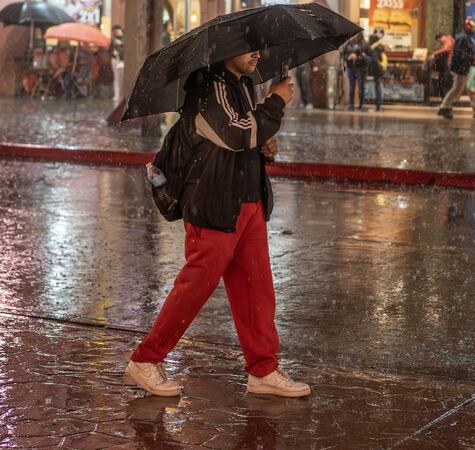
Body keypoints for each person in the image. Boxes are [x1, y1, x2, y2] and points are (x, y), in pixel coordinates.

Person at [125, 50, 311, 398]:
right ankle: (146, 359)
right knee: (194, 287)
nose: (257, 53)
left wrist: (263, 147)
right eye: (248, 47)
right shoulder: (209, 88)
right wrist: (275, 101)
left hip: (247, 200)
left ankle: (263, 369)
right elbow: (236, 133)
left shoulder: (240, 84)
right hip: (214, 204)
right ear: (226, 49)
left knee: (256, 289)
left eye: (258, 46)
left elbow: (243, 140)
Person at [438, 19, 475, 120]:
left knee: (471, 89)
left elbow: (466, 51)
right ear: (468, 27)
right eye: (473, 28)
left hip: (464, 67)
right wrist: (473, 58)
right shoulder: (463, 38)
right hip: (460, 68)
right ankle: (444, 107)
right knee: (457, 89)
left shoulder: (465, 38)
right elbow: (461, 53)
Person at [343, 34, 368, 111]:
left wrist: (358, 57)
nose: (356, 35)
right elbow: (344, 55)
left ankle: (361, 105)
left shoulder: (364, 44)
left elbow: (366, 57)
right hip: (351, 67)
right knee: (351, 87)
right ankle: (351, 105)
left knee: (361, 87)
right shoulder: (349, 43)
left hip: (360, 68)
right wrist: (348, 57)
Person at [368, 29, 388, 112]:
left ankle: (378, 106)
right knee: (378, 86)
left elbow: (374, 60)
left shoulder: (374, 49)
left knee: (377, 87)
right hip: (380, 69)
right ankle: (378, 106)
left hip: (377, 69)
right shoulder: (379, 47)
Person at [430, 33, 455, 98]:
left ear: (442, 37)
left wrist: (434, 54)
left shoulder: (447, 40)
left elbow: (446, 49)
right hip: (446, 65)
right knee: (444, 80)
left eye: (440, 40)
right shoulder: (446, 41)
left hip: (447, 64)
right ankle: (445, 96)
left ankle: (446, 97)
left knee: (446, 81)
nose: (440, 41)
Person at [111, 25, 125, 101]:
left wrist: (121, 44)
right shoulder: (113, 39)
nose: (115, 33)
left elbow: (126, 49)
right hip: (115, 59)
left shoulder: (125, 38)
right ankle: (117, 95)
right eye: (114, 32)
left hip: (123, 60)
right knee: (116, 78)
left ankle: (122, 94)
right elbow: (109, 49)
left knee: (122, 78)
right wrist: (113, 52)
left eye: (116, 31)